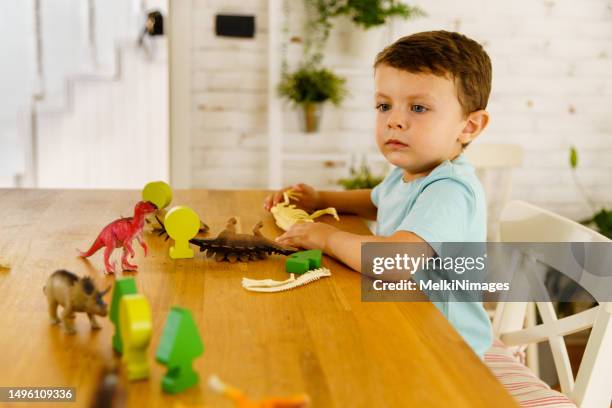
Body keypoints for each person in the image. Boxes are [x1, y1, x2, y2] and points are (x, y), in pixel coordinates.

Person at [264, 30, 493, 357]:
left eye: (418, 108)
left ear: (468, 126)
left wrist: (327, 237)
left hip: (446, 351)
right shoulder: (413, 173)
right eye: (384, 105)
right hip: (404, 322)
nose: (395, 121)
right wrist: (321, 200)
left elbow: (393, 261)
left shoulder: (450, 190)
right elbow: (376, 201)